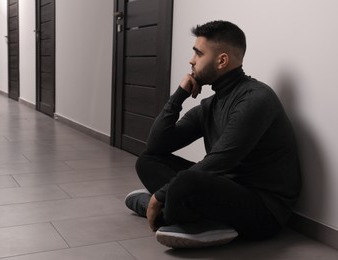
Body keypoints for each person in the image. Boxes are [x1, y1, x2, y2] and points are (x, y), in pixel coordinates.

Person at [125, 20, 301, 249]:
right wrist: (179, 95)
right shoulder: (211, 105)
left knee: (186, 181)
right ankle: (193, 219)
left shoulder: (256, 99)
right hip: (225, 189)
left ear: (222, 60)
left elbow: (220, 161)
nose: (191, 60)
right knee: (147, 161)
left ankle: (169, 213)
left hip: (264, 210)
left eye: (198, 53)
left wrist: (159, 195)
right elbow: (157, 145)